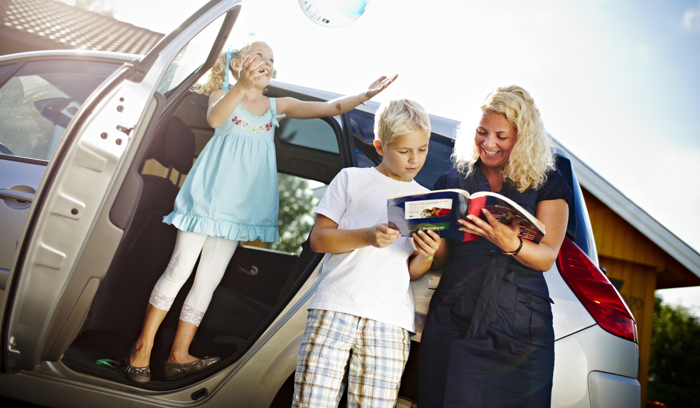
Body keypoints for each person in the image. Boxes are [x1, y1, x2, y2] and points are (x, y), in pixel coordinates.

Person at [126, 40, 399, 383]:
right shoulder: (223, 97)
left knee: (207, 282)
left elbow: (330, 108)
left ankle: (179, 355)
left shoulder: (275, 107)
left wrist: (365, 94)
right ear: (239, 63)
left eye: (271, 59)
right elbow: (215, 118)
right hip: (207, 202)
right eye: (259, 56)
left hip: (237, 212)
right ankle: (142, 348)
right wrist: (239, 86)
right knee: (179, 270)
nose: (267, 62)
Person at [417, 85, 571, 407]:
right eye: (482, 132)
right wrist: (429, 246)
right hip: (455, 315)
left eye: (501, 136)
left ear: (523, 137)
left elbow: (546, 258)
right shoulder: (452, 181)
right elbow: (441, 258)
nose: (488, 144)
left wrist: (511, 243)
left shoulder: (548, 182)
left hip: (521, 324)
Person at [292, 99, 442, 408]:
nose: (415, 160)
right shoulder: (351, 179)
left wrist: (426, 255)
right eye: (404, 151)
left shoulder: (427, 200)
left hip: (391, 320)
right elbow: (319, 240)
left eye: (423, 149)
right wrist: (367, 236)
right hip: (335, 307)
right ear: (380, 146)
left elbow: (412, 271)